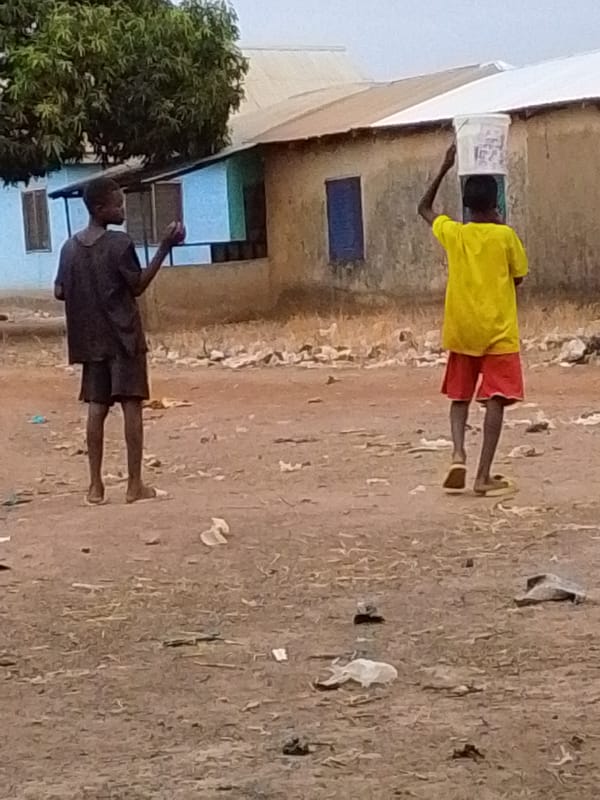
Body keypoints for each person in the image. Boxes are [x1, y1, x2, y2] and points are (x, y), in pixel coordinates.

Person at [54, 176, 185, 505]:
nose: (122, 210)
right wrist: (165, 248)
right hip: (124, 338)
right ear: (100, 209)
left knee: (96, 409)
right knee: (131, 406)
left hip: (90, 341)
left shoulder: (69, 247)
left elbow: (59, 291)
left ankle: (95, 487)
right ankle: (134, 485)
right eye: (118, 205)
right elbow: (137, 285)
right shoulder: (119, 243)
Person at [418, 144, 528, 497]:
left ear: (466, 206)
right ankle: (483, 476)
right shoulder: (505, 236)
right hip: (498, 331)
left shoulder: (456, 233)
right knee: (496, 398)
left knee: (459, 397)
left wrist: (445, 166)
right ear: (496, 204)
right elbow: (519, 277)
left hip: (462, 328)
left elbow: (424, 208)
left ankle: (457, 453)